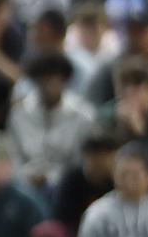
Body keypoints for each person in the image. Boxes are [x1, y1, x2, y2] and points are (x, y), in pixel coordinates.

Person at [7, 53, 93, 192]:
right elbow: (12, 155)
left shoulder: (82, 115)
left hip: (66, 187)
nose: (48, 86)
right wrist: (25, 176)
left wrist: (52, 178)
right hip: (25, 185)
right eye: (43, 80)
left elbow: (80, 162)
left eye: (53, 80)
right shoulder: (19, 113)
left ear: (64, 80)